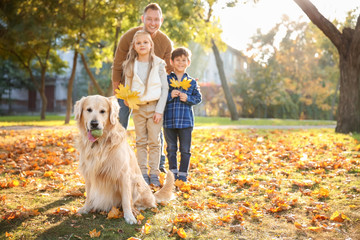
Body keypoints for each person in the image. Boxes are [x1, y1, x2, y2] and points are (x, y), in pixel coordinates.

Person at [112, 2, 172, 173]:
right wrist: (119, 94)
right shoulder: (129, 37)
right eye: (149, 19)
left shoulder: (165, 41)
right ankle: (117, 162)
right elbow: (117, 66)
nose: (153, 23)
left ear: (161, 19)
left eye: (156, 19)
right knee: (119, 124)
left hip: (152, 95)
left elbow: (168, 70)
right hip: (128, 90)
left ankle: (158, 165)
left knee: (155, 128)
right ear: (143, 18)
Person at [122, 30, 168, 186]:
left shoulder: (159, 64)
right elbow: (127, 88)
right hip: (138, 109)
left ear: (151, 45)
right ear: (134, 46)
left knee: (155, 141)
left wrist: (159, 110)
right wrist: (128, 99)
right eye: (139, 43)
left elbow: (165, 89)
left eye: (145, 42)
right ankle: (142, 172)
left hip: (155, 107)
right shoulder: (129, 65)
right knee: (141, 141)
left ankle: (154, 172)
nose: (142, 45)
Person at [163, 47, 202, 182]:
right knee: (171, 148)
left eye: (183, 60)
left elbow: (198, 98)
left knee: (185, 149)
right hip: (169, 121)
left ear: (188, 62)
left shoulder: (192, 82)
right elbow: (159, 97)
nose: (180, 63)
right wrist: (169, 96)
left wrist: (188, 98)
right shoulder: (166, 80)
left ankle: (183, 175)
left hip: (185, 122)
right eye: (177, 60)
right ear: (172, 62)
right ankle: (173, 174)